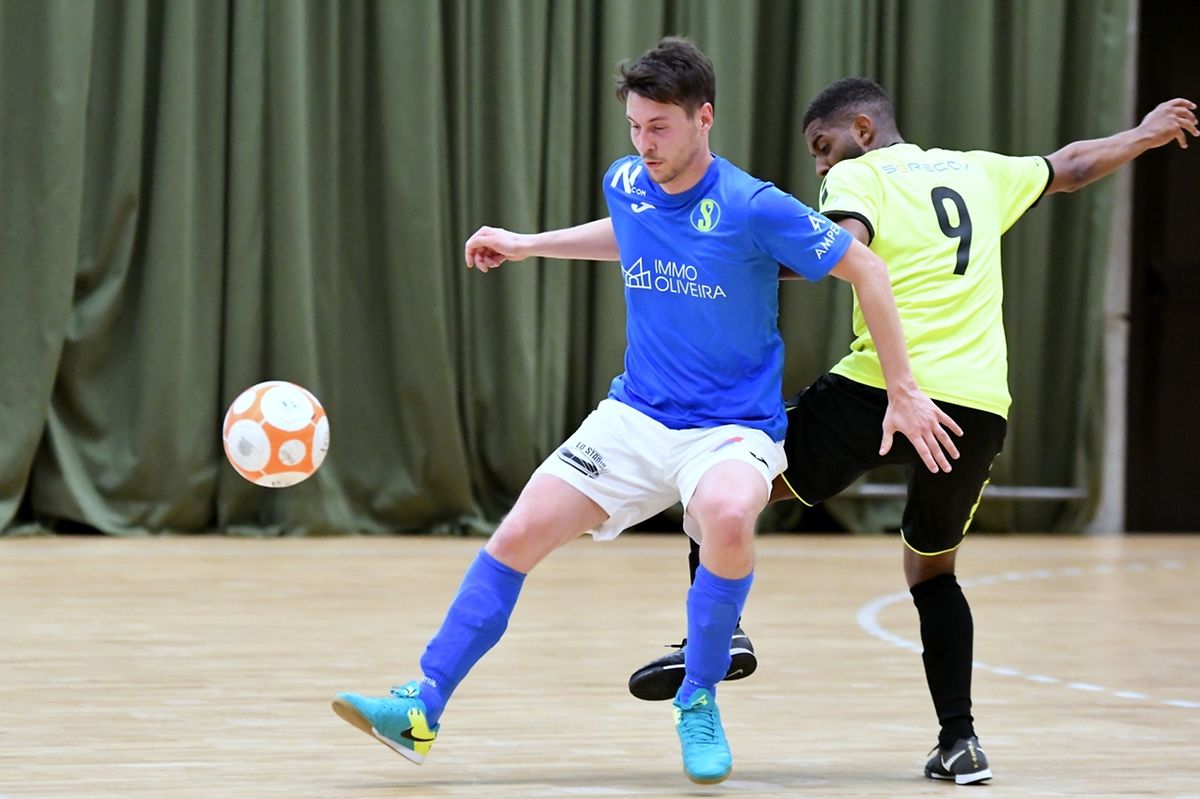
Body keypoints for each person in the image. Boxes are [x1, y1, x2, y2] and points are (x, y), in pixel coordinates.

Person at [332, 43, 959, 785]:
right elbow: (631, 236)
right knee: (518, 531)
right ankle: (423, 703)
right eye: (634, 126)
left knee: (728, 514)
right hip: (635, 416)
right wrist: (529, 245)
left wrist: (903, 389)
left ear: (705, 117)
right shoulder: (627, 181)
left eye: (659, 127)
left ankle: (697, 696)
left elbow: (868, 269)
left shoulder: (753, 205)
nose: (644, 144)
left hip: (731, 429)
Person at [626, 77, 1198, 785]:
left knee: (720, 494)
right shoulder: (978, 170)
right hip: (979, 408)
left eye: (823, 148)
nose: (822, 168)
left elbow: (839, 247)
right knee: (932, 569)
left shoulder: (863, 174)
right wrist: (1142, 134)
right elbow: (1072, 166)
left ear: (862, 130)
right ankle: (960, 742)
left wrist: (724, 258)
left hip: (885, 391)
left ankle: (717, 637)